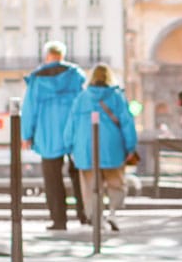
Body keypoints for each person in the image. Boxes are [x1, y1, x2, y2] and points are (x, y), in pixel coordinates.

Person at [21, 42, 84, 231]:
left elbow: (29, 109)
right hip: (74, 133)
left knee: (52, 178)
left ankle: (59, 220)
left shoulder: (37, 79)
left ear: (48, 56)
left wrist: (26, 135)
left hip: (48, 134)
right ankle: (85, 215)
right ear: (62, 56)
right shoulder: (75, 76)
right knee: (80, 175)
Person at [71, 64, 140, 228]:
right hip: (112, 148)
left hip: (86, 149)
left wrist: (70, 147)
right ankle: (113, 213)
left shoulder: (82, 97)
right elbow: (127, 123)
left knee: (90, 186)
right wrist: (130, 147)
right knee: (116, 182)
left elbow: (71, 125)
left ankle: (96, 218)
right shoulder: (116, 97)